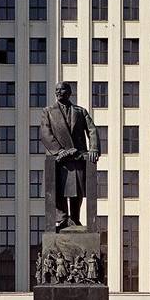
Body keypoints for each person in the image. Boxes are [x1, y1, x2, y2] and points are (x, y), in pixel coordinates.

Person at [40, 82, 100, 231]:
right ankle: (62, 218)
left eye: (62, 89)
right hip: (58, 159)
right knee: (58, 190)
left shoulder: (80, 111)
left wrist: (94, 148)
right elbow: (45, 133)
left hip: (76, 157)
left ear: (69, 92)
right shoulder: (48, 111)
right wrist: (59, 151)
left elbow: (91, 130)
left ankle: (74, 217)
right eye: (57, 90)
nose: (59, 92)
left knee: (77, 190)